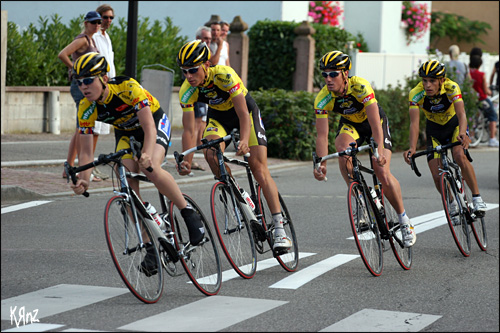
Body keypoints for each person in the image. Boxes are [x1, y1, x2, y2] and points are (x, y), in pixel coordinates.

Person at [69, 52, 205, 274]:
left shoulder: (126, 87)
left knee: (150, 168)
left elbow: (150, 127)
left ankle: (188, 212)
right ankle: (150, 245)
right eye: (79, 82)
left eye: (88, 80)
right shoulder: (86, 107)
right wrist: (84, 181)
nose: (83, 86)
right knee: (126, 188)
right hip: (126, 134)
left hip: (154, 124)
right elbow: (85, 152)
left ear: (103, 77)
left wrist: (148, 154)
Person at [176, 40, 292, 250]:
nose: (189, 76)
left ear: (206, 65)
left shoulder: (224, 74)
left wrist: (245, 140)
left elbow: (242, 113)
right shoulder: (187, 90)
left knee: (258, 168)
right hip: (219, 118)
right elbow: (190, 130)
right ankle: (239, 195)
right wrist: (187, 160)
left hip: (245, 115)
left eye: (193, 70)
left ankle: (279, 228)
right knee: (211, 155)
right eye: (184, 71)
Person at [312, 51, 416, 248]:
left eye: (333, 74)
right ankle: (361, 196)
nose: (328, 79)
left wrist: (379, 150)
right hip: (352, 126)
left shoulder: (360, 86)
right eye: (324, 74)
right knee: (342, 150)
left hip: (374, 123)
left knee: (382, 172)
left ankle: (404, 221)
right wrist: (321, 163)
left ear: (345, 73)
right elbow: (322, 136)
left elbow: (375, 123)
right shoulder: (323, 97)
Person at [403, 60, 487, 218]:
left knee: (459, 156)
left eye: (432, 81)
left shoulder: (451, 87)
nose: (428, 85)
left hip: (454, 126)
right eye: (425, 81)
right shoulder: (416, 93)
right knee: (436, 174)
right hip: (434, 131)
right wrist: (412, 148)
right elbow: (414, 123)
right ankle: (451, 203)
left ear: (442, 80)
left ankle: (477, 198)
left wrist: (463, 133)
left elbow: (462, 114)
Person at [58, 11, 103, 182]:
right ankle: (72, 168)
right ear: (85, 23)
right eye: (93, 22)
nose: (97, 25)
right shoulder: (83, 39)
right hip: (81, 87)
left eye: (98, 22)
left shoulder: (91, 39)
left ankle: (70, 168)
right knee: (82, 128)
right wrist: (75, 70)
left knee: (82, 128)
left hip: (85, 85)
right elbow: (62, 54)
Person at [91, 3, 117, 180]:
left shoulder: (106, 37)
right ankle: (86, 166)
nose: (108, 21)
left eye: (111, 18)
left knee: (98, 129)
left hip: (107, 86)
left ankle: (90, 164)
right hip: (97, 86)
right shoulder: (93, 37)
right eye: (105, 17)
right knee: (90, 127)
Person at [469, 55, 499, 147]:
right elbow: (485, 91)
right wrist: (490, 92)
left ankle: (472, 136)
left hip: (472, 100)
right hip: (482, 99)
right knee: (493, 115)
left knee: (472, 117)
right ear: (480, 64)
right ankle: (492, 139)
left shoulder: (469, 73)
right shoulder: (481, 75)